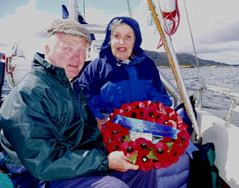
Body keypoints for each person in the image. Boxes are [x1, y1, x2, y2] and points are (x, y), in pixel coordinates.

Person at [0, 19, 157, 188]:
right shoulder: (28, 95)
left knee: (142, 166)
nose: (77, 57)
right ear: (47, 49)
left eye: (82, 51)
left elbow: (88, 135)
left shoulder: (71, 87)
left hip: (74, 163)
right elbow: (43, 163)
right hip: (38, 178)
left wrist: (122, 141)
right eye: (68, 48)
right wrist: (105, 161)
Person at [76, 16, 192, 188]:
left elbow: (161, 98)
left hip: (141, 127)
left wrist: (158, 117)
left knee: (174, 143)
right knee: (136, 163)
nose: (121, 41)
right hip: (108, 128)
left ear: (135, 40)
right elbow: (82, 96)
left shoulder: (147, 65)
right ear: (109, 38)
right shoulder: (97, 66)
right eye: (116, 36)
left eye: (128, 36)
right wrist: (97, 118)